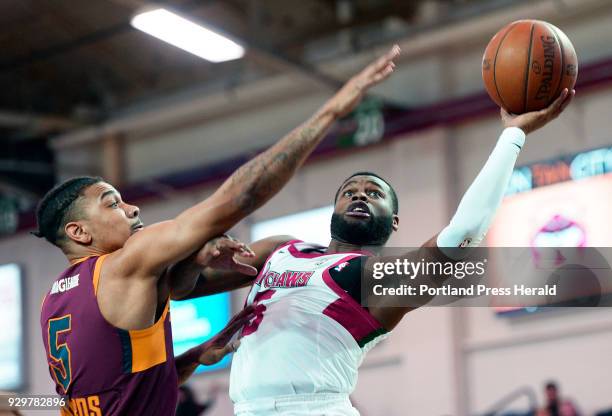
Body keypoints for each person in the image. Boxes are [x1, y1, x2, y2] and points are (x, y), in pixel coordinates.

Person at [36, 45, 401, 416]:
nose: (132, 208)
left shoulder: (52, 301)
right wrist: (332, 110)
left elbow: (111, 392)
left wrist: (190, 359)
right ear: (79, 232)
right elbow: (241, 196)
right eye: (113, 203)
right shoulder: (126, 262)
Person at [182, 89, 576, 415]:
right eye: (349, 192)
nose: (359, 195)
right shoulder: (280, 249)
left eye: (374, 193)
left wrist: (512, 136)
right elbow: (182, 289)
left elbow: (466, 231)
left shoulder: (378, 276)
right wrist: (198, 257)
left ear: (395, 221)